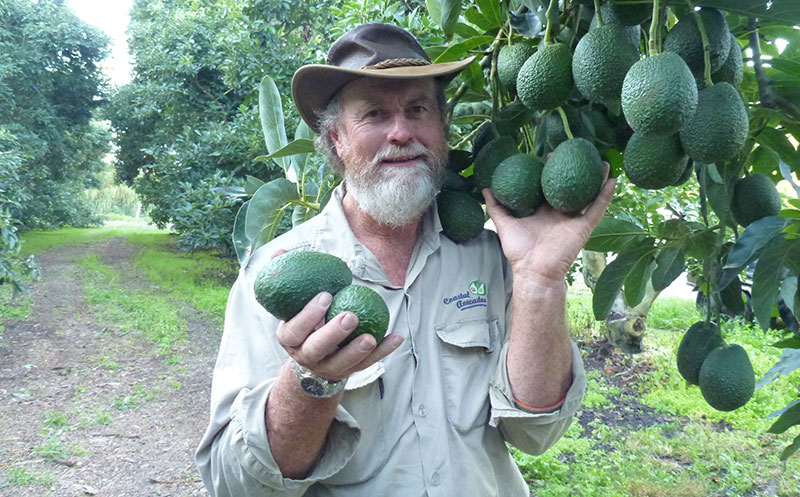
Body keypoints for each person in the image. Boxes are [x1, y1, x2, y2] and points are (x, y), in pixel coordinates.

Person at [195, 23, 616, 497]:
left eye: (418, 109)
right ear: (336, 139)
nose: (400, 132)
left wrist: (540, 279)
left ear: (442, 128)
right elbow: (236, 484)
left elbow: (536, 433)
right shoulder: (277, 273)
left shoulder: (494, 257)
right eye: (374, 114)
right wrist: (311, 383)